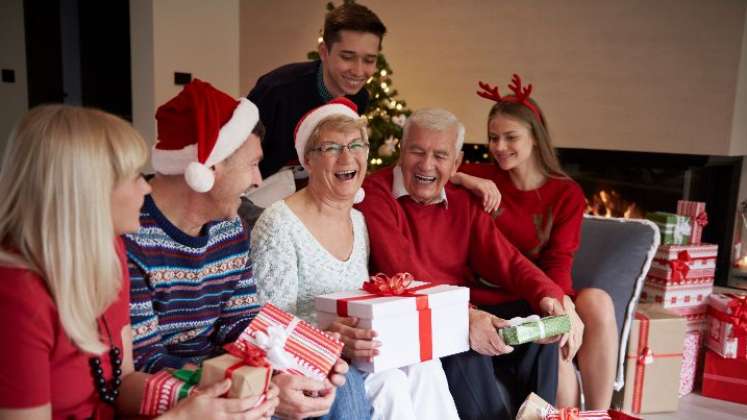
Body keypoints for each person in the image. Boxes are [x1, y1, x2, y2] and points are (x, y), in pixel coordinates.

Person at [0, 105, 278, 419]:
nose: (146, 187)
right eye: (133, 176)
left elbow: (125, 382)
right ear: (87, 191)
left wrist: (220, 396)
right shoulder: (17, 298)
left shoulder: (109, 253)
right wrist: (183, 415)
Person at [124, 80, 369, 419]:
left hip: (230, 376)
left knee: (336, 379)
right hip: (184, 399)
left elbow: (242, 323)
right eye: (253, 164)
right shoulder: (130, 235)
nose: (258, 180)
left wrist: (304, 357)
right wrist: (258, 383)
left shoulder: (228, 227)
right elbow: (142, 365)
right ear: (208, 168)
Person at [355, 107, 585, 420]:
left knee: (537, 327)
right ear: (401, 151)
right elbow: (402, 277)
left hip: (460, 312)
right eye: (417, 151)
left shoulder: (462, 200)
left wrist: (552, 297)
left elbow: (508, 261)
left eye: (440, 155)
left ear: (457, 163)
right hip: (412, 320)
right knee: (465, 345)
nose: (426, 164)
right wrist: (466, 317)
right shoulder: (377, 194)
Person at [250, 98, 460, 420]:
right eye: (331, 148)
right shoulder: (279, 224)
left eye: (356, 145)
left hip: (355, 351)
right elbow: (270, 327)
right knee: (389, 383)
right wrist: (329, 337)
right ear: (308, 159)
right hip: (308, 362)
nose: (347, 157)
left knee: (425, 364)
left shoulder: (358, 221)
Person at [460, 75, 617, 410]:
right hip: (494, 297)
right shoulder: (482, 178)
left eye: (510, 136)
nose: (499, 147)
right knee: (557, 353)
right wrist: (464, 177)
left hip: (541, 293)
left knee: (598, 302)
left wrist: (558, 305)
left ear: (535, 136)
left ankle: (599, 414)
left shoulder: (565, 193)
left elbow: (560, 260)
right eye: (493, 138)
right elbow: (431, 169)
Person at [247, 2, 386, 179]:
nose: (358, 71)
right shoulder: (276, 91)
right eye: (347, 57)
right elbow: (238, 158)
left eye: (369, 60)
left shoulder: (359, 99)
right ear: (324, 52)